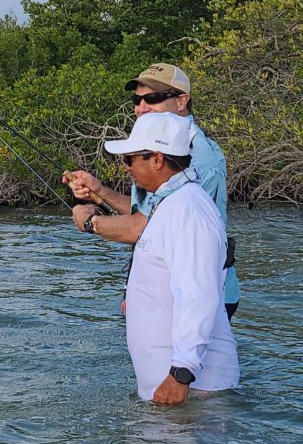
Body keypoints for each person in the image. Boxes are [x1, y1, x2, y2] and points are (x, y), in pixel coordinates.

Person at [66, 63, 240, 320]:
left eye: (153, 98)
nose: (141, 107)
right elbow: (150, 211)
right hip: (162, 290)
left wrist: (90, 222)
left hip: (200, 296)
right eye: (137, 100)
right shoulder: (159, 146)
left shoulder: (199, 155)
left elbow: (144, 228)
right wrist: (100, 191)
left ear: (182, 102)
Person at [87, 112, 239, 403]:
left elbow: (198, 294)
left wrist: (181, 374)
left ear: (157, 159)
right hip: (174, 390)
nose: (126, 167)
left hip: (192, 391)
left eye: (130, 159)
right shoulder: (169, 202)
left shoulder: (188, 209)